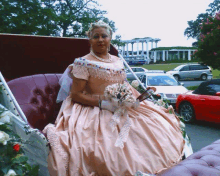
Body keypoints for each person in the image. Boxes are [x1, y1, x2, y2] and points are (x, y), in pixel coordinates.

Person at [43, 21, 185, 176]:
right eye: (95, 36)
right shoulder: (83, 62)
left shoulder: (117, 60)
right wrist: (103, 104)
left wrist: (132, 99)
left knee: (152, 131)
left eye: (104, 36)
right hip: (93, 109)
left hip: (121, 105)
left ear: (110, 38)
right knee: (106, 148)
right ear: (90, 39)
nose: (100, 40)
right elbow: (76, 94)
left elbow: (123, 84)